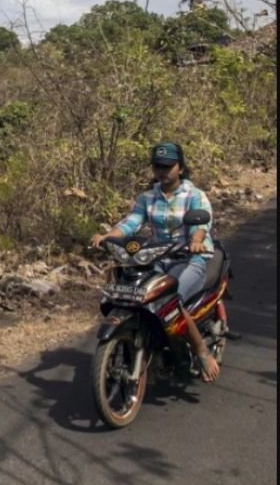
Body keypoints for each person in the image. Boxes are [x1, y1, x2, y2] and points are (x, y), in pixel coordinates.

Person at [90, 142, 220, 382]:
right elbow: (132, 222)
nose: (162, 171)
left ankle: (201, 352)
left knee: (172, 301)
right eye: (158, 166)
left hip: (190, 257)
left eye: (168, 166)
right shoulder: (148, 197)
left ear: (180, 168)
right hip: (158, 257)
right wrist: (109, 236)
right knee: (139, 294)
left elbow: (201, 224)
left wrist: (196, 240)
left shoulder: (194, 195)